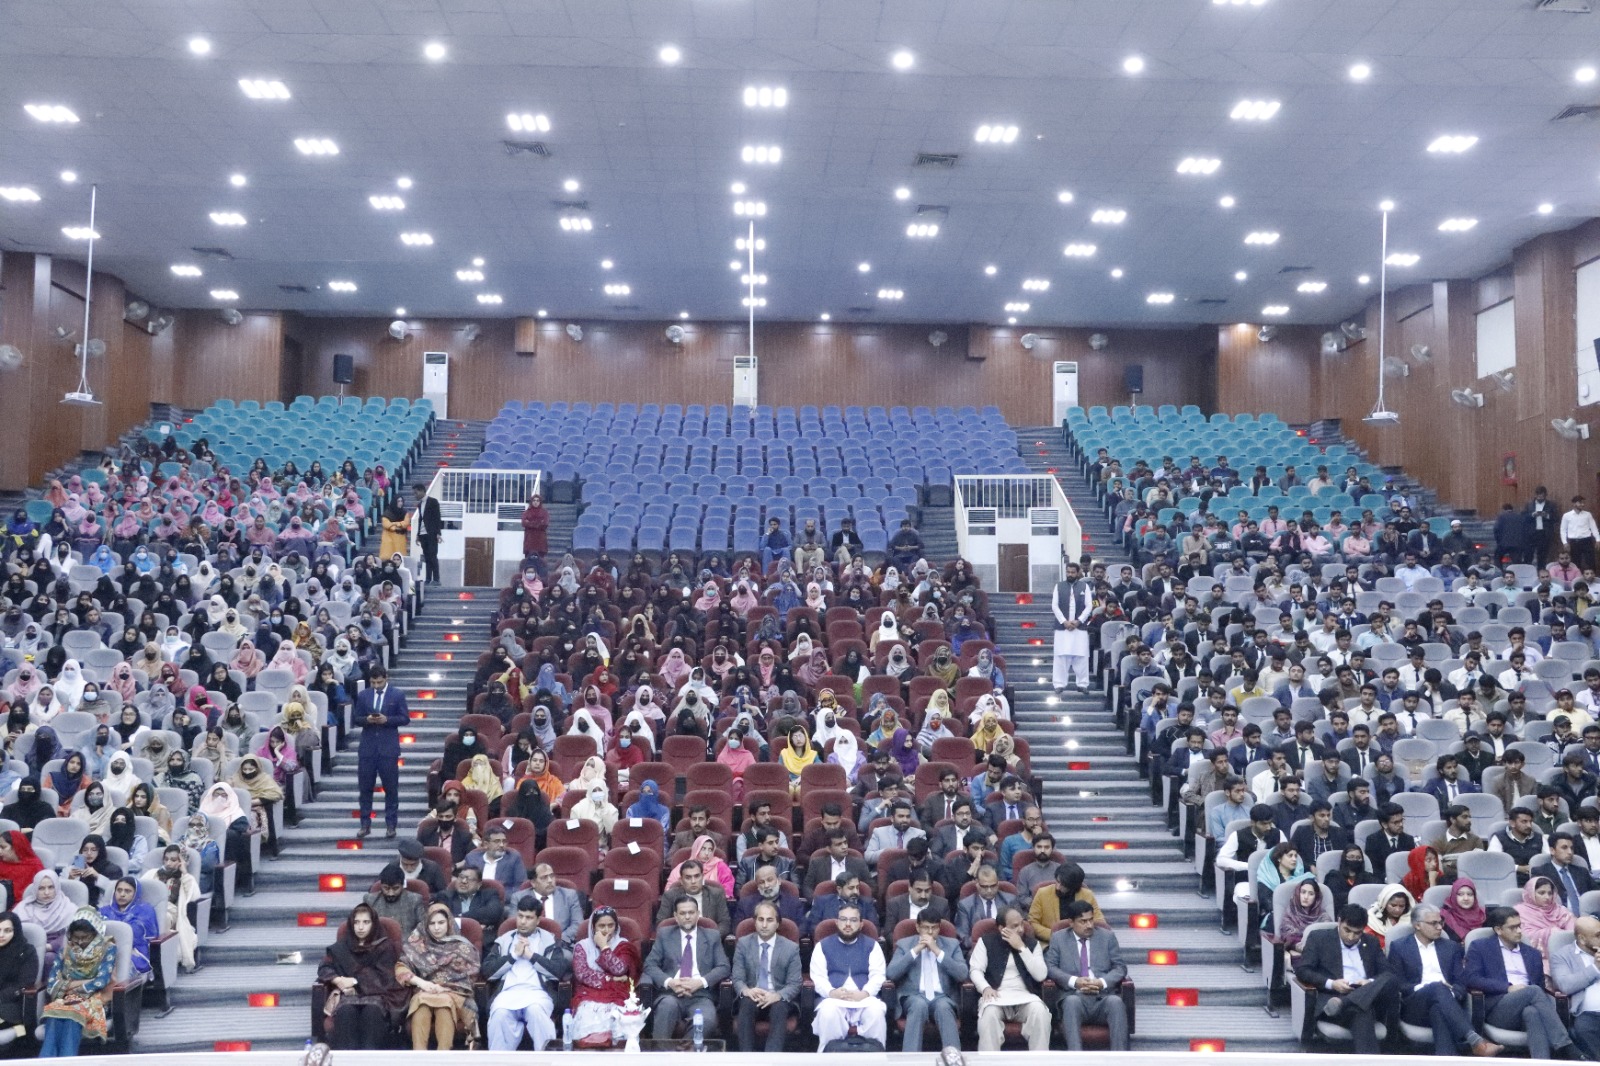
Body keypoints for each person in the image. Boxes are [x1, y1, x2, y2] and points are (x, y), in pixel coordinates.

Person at [1388, 903, 1501, 1057]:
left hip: (1448, 1004)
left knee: (1438, 1010)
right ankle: (1475, 1040)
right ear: (1417, 925)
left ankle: (1450, 1057)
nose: (1440, 927)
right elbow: (1398, 983)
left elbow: (1461, 981)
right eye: (1433, 923)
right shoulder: (1399, 947)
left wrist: (1450, 994)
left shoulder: (1451, 947)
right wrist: (1429, 988)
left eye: (1440, 922)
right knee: (1437, 987)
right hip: (1415, 1006)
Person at [1464, 906, 1576, 1060]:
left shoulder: (1533, 954)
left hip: (1528, 1005)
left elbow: (1540, 987)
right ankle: (1565, 1045)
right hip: (1498, 1008)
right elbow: (1472, 978)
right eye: (1512, 927)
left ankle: (1541, 1062)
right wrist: (1507, 988)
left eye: (1519, 926)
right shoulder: (1480, 947)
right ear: (1498, 930)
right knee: (1533, 991)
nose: (1519, 931)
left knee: (1532, 1012)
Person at [1295, 903, 1399, 1054]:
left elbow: (1387, 972)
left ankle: (1345, 1002)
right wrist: (1332, 984)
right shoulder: (1319, 938)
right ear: (1339, 921)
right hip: (1333, 999)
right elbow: (1302, 970)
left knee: (1391, 979)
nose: (1351, 937)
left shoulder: (1371, 942)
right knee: (1362, 1010)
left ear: (1363, 929)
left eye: (1357, 933)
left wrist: (1369, 983)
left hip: (1362, 998)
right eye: (1347, 930)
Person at [483, 894, 570, 1051]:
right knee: (500, 1015)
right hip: (507, 994)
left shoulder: (549, 940)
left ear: (538, 920)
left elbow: (558, 971)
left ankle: (546, 1059)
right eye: (520, 916)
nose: (523, 921)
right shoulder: (504, 940)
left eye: (529, 918)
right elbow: (487, 971)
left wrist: (531, 956)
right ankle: (499, 1061)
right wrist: (513, 956)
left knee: (535, 1011)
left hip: (538, 994)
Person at [317, 902, 407, 1050]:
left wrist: (354, 981)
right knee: (346, 1012)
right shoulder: (342, 947)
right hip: (348, 997)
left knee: (371, 1012)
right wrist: (338, 980)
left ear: (373, 924)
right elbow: (324, 967)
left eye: (366, 922)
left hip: (378, 996)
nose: (360, 927)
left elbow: (385, 978)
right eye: (356, 922)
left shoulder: (385, 947)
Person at [1044, 898, 1129, 1051]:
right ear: (1071, 922)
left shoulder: (1107, 937)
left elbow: (1120, 968)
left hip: (1103, 996)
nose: (1089, 925)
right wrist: (1074, 981)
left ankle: (1120, 1058)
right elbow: (1050, 967)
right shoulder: (1059, 938)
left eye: (1091, 920)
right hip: (1074, 995)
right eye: (1083, 921)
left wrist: (1102, 982)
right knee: (1071, 1003)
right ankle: (1076, 1058)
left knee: (1116, 1002)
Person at [396, 902, 480, 1050]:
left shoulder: (462, 947)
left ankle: (443, 1057)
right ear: (426, 925)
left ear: (449, 923)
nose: (436, 928)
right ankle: (419, 1056)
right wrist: (422, 983)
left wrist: (444, 988)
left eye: (441, 923)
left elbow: (471, 976)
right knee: (422, 1004)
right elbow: (400, 968)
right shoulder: (417, 944)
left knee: (444, 1004)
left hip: (455, 995)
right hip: (425, 991)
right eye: (432, 923)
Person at [643, 895, 727, 1040]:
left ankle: (684, 1052)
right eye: (682, 913)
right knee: (666, 1008)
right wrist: (670, 982)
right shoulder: (665, 934)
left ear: (698, 914)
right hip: (670, 994)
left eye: (691, 912)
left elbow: (723, 967)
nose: (687, 917)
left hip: (700, 995)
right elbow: (650, 965)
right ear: (676, 916)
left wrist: (700, 982)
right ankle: (660, 1052)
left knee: (707, 1020)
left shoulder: (712, 936)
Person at [970, 904, 1051, 1050]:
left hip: (1025, 996)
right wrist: (985, 988)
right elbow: (975, 970)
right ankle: (989, 1060)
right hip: (996, 996)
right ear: (1001, 928)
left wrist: (1022, 948)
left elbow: (1040, 975)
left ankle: (1039, 1060)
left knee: (1040, 1012)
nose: (1020, 929)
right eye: (1014, 926)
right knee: (989, 1015)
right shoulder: (986, 942)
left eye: (1022, 924)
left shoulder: (1032, 944)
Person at [886, 910, 968, 1053]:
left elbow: (962, 974)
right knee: (919, 1005)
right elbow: (891, 973)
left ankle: (953, 1058)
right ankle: (910, 1059)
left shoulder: (952, 944)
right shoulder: (904, 944)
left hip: (942, 996)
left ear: (939, 928)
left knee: (943, 1007)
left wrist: (937, 951)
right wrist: (916, 950)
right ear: (918, 927)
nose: (930, 932)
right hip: (913, 996)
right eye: (926, 928)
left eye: (934, 928)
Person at [38, 908, 116, 1058]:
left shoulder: (108, 948)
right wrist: (83, 983)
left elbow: (101, 982)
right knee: (53, 1015)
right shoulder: (65, 950)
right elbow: (52, 983)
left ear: (95, 933)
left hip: (95, 999)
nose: (80, 942)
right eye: (76, 937)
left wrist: (68, 985)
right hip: (65, 999)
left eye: (85, 937)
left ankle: (67, 1060)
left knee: (71, 1017)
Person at [810, 901, 886, 1047]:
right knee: (828, 1012)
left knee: (876, 1012)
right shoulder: (822, 946)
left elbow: (878, 975)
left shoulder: (872, 945)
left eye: (853, 920)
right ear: (837, 923)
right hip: (833, 999)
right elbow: (818, 977)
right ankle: (831, 1056)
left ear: (861, 924)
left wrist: (865, 993)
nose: (848, 924)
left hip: (864, 999)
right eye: (843, 919)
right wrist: (831, 992)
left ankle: (874, 1055)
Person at [731, 900, 803, 1052]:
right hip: (752, 996)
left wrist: (777, 995)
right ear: (755, 922)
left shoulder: (791, 948)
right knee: (746, 1003)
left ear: (777, 924)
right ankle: (746, 1057)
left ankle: (772, 1057)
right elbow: (737, 978)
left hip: (778, 997)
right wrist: (746, 990)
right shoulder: (743, 944)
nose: (764, 925)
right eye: (760, 919)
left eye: (769, 920)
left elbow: (795, 983)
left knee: (779, 1007)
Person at [567, 906, 640, 1043]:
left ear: (616, 927)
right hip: (589, 993)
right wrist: (612, 979)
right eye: (601, 926)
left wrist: (604, 947)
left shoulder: (623, 945)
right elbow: (582, 974)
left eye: (611, 925)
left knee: (619, 1017)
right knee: (586, 1014)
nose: (606, 930)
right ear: (593, 927)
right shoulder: (582, 946)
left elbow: (619, 969)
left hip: (617, 994)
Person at [355, 665, 407, 839]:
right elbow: (356, 718)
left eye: (379, 682)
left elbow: (405, 718)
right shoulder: (364, 695)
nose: (376, 686)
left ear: (386, 679)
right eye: (373, 683)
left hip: (388, 748)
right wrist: (367, 720)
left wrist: (387, 720)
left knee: (391, 789)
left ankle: (391, 825)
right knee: (365, 789)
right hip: (368, 748)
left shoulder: (397, 694)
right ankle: (365, 824)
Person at [1549, 914, 1600, 1060]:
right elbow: (1565, 985)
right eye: (1598, 935)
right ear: (1582, 939)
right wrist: (1595, 968)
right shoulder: (1562, 956)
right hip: (1588, 1015)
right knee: (1583, 1028)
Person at [98, 877, 158, 976]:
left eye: (127, 891)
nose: (122, 894)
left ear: (136, 893)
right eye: (119, 890)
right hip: (105, 951)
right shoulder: (104, 911)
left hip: (135, 953)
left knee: (116, 967)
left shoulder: (145, 911)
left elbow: (139, 936)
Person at [517, 862, 584, 944]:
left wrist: (557, 939)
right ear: (533, 883)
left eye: (552, 876)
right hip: (529, 943)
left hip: (560, 943)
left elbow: (577, 924)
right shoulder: (519, 898)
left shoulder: (569, 896)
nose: (550, 880)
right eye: (544, 878)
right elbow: (515, 925)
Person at [1052, 562, 1092, 693]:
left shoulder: (1084, 586)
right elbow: (1054, 606)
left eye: (1073, 572)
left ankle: (1082, 684)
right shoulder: (1059, 586)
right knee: (1060, 657)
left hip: (1079, 628)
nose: (1070, 574)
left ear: (1078, 572)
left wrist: (1079, 621)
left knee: (1082, 656)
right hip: (1062, 628)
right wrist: (1064, 621)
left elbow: (1089, 606)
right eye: (1068, 572)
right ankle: (1059, 684)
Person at [1515, 876, 1575, 965]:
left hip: (1567, 954)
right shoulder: (1519, 911)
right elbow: (1524, 936)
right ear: (1531, 893)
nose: (1547, 897)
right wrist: (1551, 932)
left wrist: (1559, 935)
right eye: (1541, 893)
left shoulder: (1560, 909)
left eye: (1550, 893)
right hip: (1535, 957)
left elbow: (1573, 932)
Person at [0, 911, 39, 1048]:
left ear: (15, 931)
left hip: (12, 1005)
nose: (1, 935)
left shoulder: (27, 951)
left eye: (7, 930)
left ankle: (20, 1033)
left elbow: (25, 983)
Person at [415, 487, 442, 585]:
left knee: (433, 556)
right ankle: (428, 578)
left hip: (431, 533)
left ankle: (436, 579)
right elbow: (420, 520)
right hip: (422, 534)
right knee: (427, 557)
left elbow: (437, 517)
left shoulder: (433, 502)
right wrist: (418, 534)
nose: (415, 495)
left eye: (416, 492)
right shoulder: (420, 504)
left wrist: (438, 533)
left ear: (422, 491)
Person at [519, 495, 548, 560]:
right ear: (531, 502)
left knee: (540, 561)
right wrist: (538, 522)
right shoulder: (526, 512)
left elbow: (545, 523)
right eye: (534, 500)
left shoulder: (544, 512)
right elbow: (524, 523)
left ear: (540, 502)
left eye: (537, 501)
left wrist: (530, 522)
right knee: (528, 561)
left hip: (540, 541)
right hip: (529, 541)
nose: (535, 502)